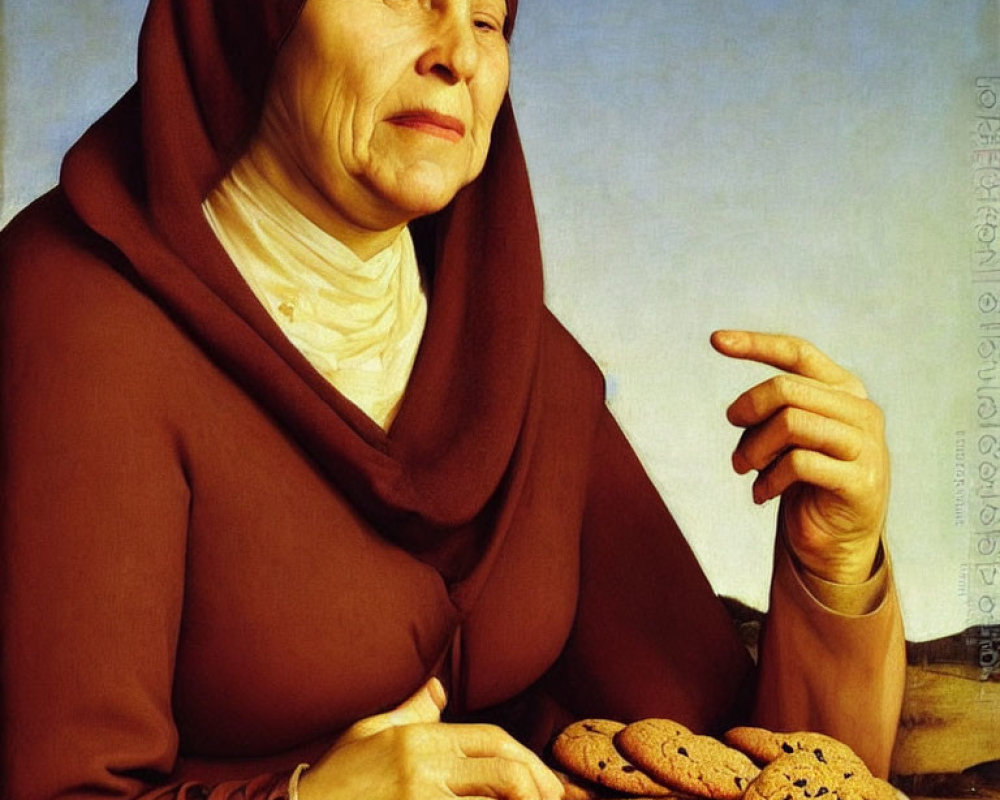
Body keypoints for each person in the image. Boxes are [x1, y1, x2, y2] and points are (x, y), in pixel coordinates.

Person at [0, 1, 905, 799]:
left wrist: (836, 569)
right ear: (254, 13)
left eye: (489, 19)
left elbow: (734, 761)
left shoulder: (517, 354)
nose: (459, 56)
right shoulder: (75, 319)